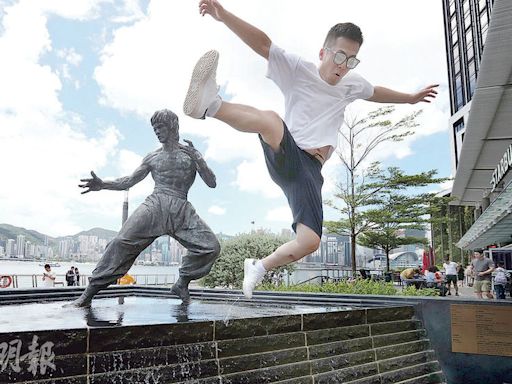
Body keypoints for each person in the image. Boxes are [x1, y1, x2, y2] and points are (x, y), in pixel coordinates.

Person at [185, 0, 438, 299]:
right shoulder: (297, 69)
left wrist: (409, 98)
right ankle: (210, 105)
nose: (343, 65)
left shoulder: (351, 84)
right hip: (289, 152)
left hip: (310, 172)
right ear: (323, 52)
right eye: (340, 56)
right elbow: (264, 44)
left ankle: (258, 266)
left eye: (352, 60)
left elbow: (376, 92)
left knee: (309, 241)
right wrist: (224, 15)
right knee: (271, 121)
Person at [66, 109, 220, 307]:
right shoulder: (152, 158)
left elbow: (212, 182)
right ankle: (86, 297)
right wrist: (103, 184)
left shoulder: (190, 155)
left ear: (173, 126)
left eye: (160, 127)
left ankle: (182, 283)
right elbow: (129, 181)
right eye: (154, 128)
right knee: (120, 243)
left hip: (181, 207)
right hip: (155, 205)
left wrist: (199, 158)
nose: (157, 131)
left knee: (211, 247)